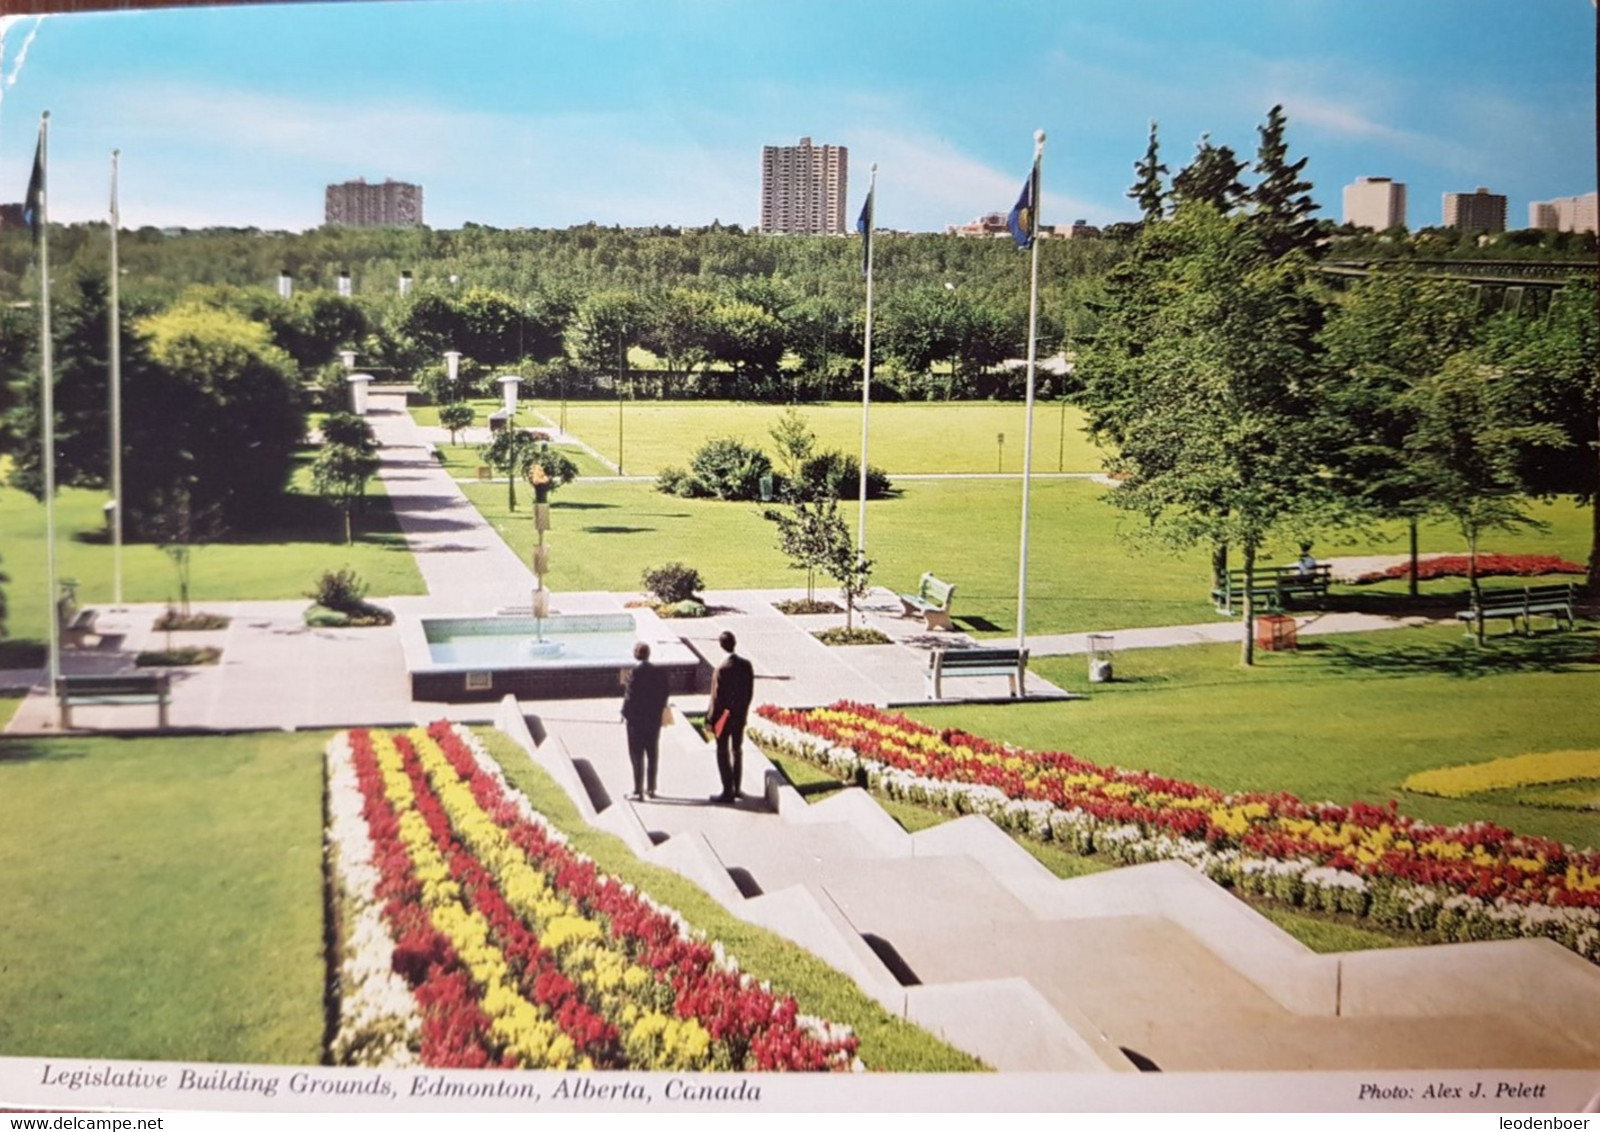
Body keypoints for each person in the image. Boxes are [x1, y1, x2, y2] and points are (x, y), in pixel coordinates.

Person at [706, 630, 754, 804]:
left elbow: (716, 699)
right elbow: (748, 693)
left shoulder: (721, 670)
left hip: (723, 718)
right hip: (739, 717)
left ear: (721, 645)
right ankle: (737, 787)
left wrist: (711, 719)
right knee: (737, 750)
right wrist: (742, 712)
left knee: (722, 752)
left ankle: (727, 791)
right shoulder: (746, 665)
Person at [620, 641, 670, 801]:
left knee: (637, 755)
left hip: (636, 722)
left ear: (635, 654)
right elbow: (665, 693)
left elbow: (630, 697)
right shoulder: (659, 673)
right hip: (653, 720)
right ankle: (651, 788)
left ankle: (637, 790)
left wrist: (624, 714)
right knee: (653, 753)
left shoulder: (634, 673)